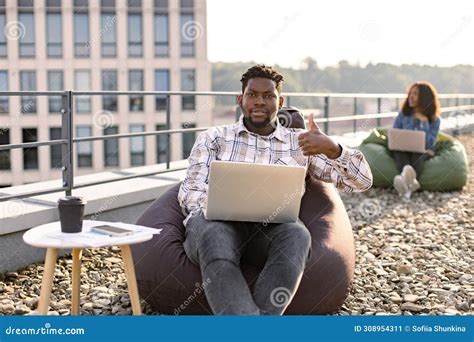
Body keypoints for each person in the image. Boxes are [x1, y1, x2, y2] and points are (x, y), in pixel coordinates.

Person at [177, 64, 373, 315]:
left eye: (268, 96)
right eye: (252, 95)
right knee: (213, 233)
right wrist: (219, 208)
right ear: (241, 99)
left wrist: (334, 149)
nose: (259, 102)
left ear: (280, 102)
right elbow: (190, 191)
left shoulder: (300, 142)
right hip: (215, 228)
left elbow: (362, 182)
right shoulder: (214, 137)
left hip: (269, 233)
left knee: (298, 235)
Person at [392, 81, 441, 199]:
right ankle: (410, 186)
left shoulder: (435, 119)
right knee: (399, 153)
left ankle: (404, 186)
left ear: (424, 98)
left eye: (415, 94)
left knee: (417, 154)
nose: (411, 97)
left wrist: (424, 122)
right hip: (403, 149)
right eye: (410, 93)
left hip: (423, 150)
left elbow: (429, 142)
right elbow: (395, 134)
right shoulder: (403, 114)